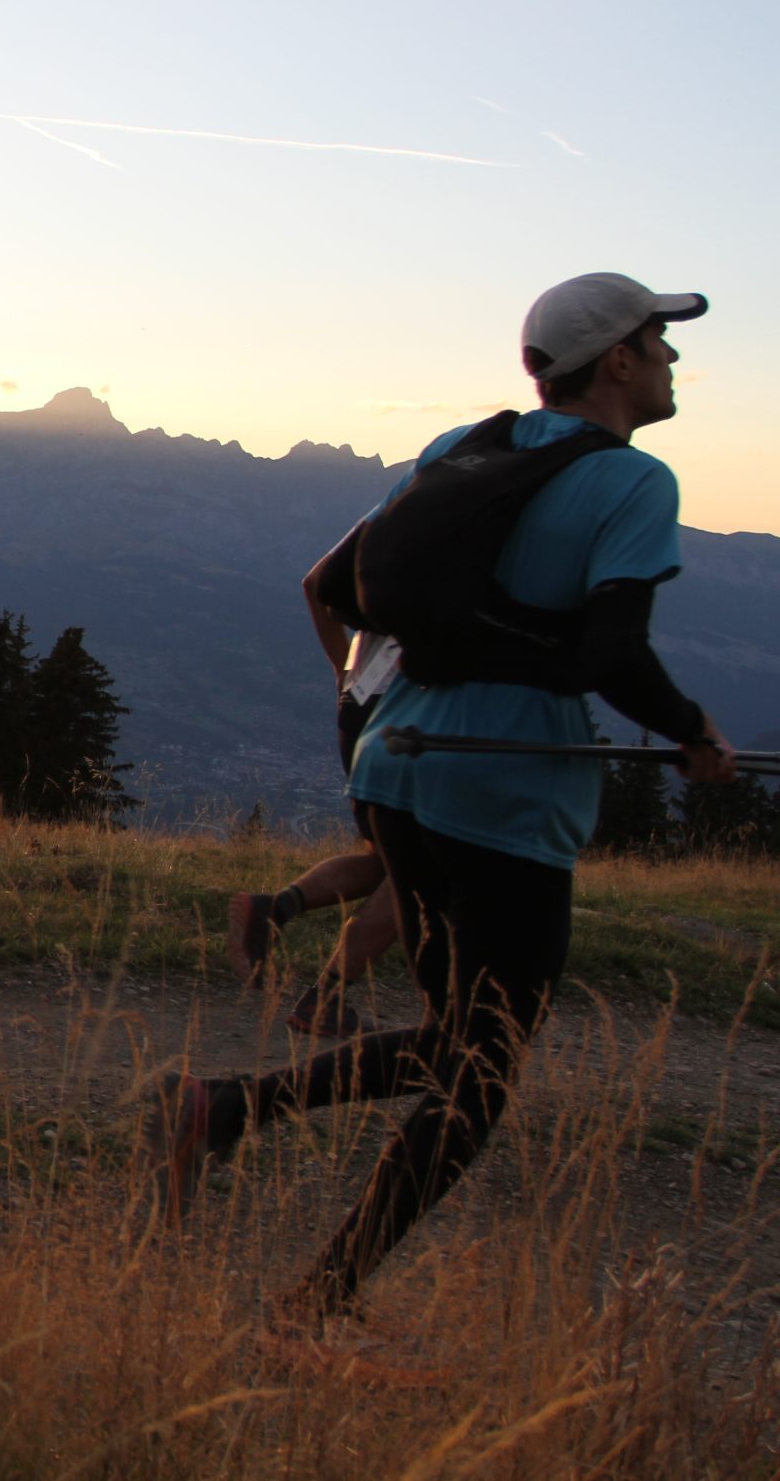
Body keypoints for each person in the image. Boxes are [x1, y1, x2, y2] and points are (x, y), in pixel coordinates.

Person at [155, 271, 737, 1318]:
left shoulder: (465, 448)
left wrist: (380, 696)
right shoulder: (631, 482)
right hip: (506, 791)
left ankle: (221, 1109)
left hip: (397, 769)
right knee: (483, 1072)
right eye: (659, 339)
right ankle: (316, 1301)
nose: (671, 357)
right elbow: (612, 653)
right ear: (617, 359)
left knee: (458, 1038)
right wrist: (693, 730)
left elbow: (336, 587)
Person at [225, 559, 403, 1038]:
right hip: (410, 714)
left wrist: (343, 671)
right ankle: (324, 1000)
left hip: (360, 702)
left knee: (386, 859)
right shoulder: (467, 530)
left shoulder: (387, 525)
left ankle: (275, 909)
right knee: (421, 874)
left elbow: (313, 584)